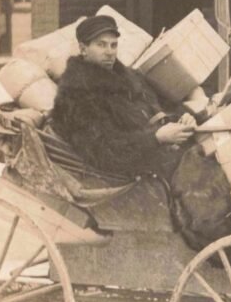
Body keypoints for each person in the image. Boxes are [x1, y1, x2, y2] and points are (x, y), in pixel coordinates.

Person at [50, 14, 196, 179]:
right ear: (83, 49)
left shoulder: (128, 76)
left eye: (114, 45)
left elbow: (161, 105)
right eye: (101, 45)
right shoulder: (76, 95)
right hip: (130, 174)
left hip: (160, 154)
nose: (109, 52)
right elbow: (104, 151)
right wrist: (156, 138)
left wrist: (182, 118)